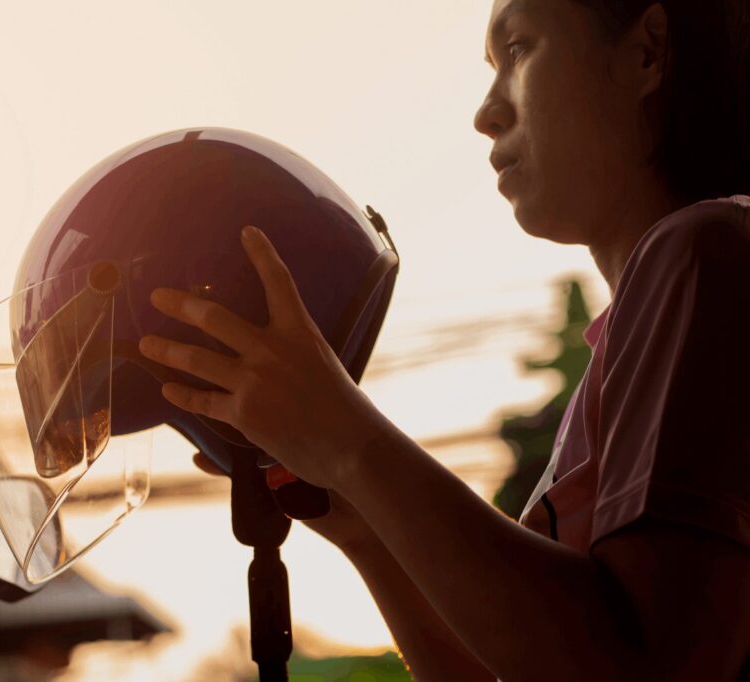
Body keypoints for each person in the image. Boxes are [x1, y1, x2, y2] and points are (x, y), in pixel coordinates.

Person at [137, 0, 750, 679]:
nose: (486, 112)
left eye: (517, 49)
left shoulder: (702, 251)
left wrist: (348, 438)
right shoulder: (649, 319)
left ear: (646, 52)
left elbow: (645, 668)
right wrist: (364, 527)